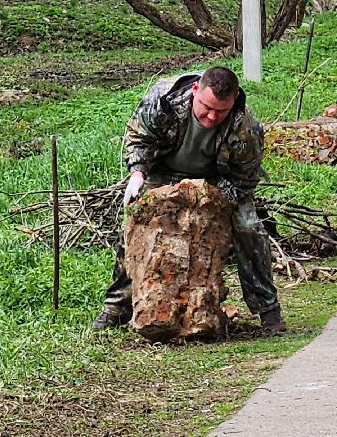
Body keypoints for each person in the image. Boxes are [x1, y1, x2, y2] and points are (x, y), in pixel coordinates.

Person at [93, 66, 285, 335]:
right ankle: (115, 307)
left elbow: (245, 178)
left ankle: (268, 310)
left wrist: (209, 198)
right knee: (135, 225)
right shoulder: (163, 100)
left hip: (217, 180)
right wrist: (138, 172)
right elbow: (139, 137)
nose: (211, 117)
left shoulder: (246, 128)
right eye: (206, 107)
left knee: (250, 229)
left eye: (221, 112)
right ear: (196, 90)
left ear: (234, 100)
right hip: (163, 171)